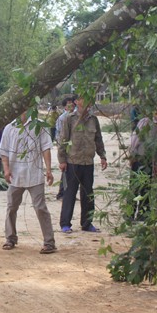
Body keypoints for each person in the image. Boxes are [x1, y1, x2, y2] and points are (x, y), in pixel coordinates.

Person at [0, 110, 57, 254]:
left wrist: (48, 169)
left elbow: (46, 148)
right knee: (11, 207)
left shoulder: (39, 125)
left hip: (34, 174)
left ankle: (49, 242)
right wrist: (6, 169)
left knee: (40, 208)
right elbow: (3, 152)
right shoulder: (9, 128)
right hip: (15, 175)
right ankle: (10, 238)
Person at [57, 95, 107, 233]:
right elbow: (63, 140)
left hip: (88, 162)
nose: (86, 102)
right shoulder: (69, 119)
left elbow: (98, 139)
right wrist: (62, 160)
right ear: (76, 102)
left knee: (88, 193)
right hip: (73, 161)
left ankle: (87, 223)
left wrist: (102, 156)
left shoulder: (94, 120)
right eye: (83, 99)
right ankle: (65, 223)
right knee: (70, 193)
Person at [128, 111, 157, 221]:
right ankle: (130, 213)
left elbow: (155, 146)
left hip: (148, 160)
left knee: (146, 188)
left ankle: (143, 214)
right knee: (135, 187)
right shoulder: (145, 122)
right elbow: (135, 138)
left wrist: (155, 163)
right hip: (139, 158)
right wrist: (132, 154)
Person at [55, 96, 75, 200]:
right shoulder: (62, 118)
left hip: (72, 148)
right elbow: (59, 135)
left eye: (72, 104)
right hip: (65, 147)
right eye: (68, 104)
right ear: (65, 107)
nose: (71, 106)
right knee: (65, 170)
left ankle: (68, 193)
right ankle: (62, 193)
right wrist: (61, 148)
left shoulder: (74, 117)